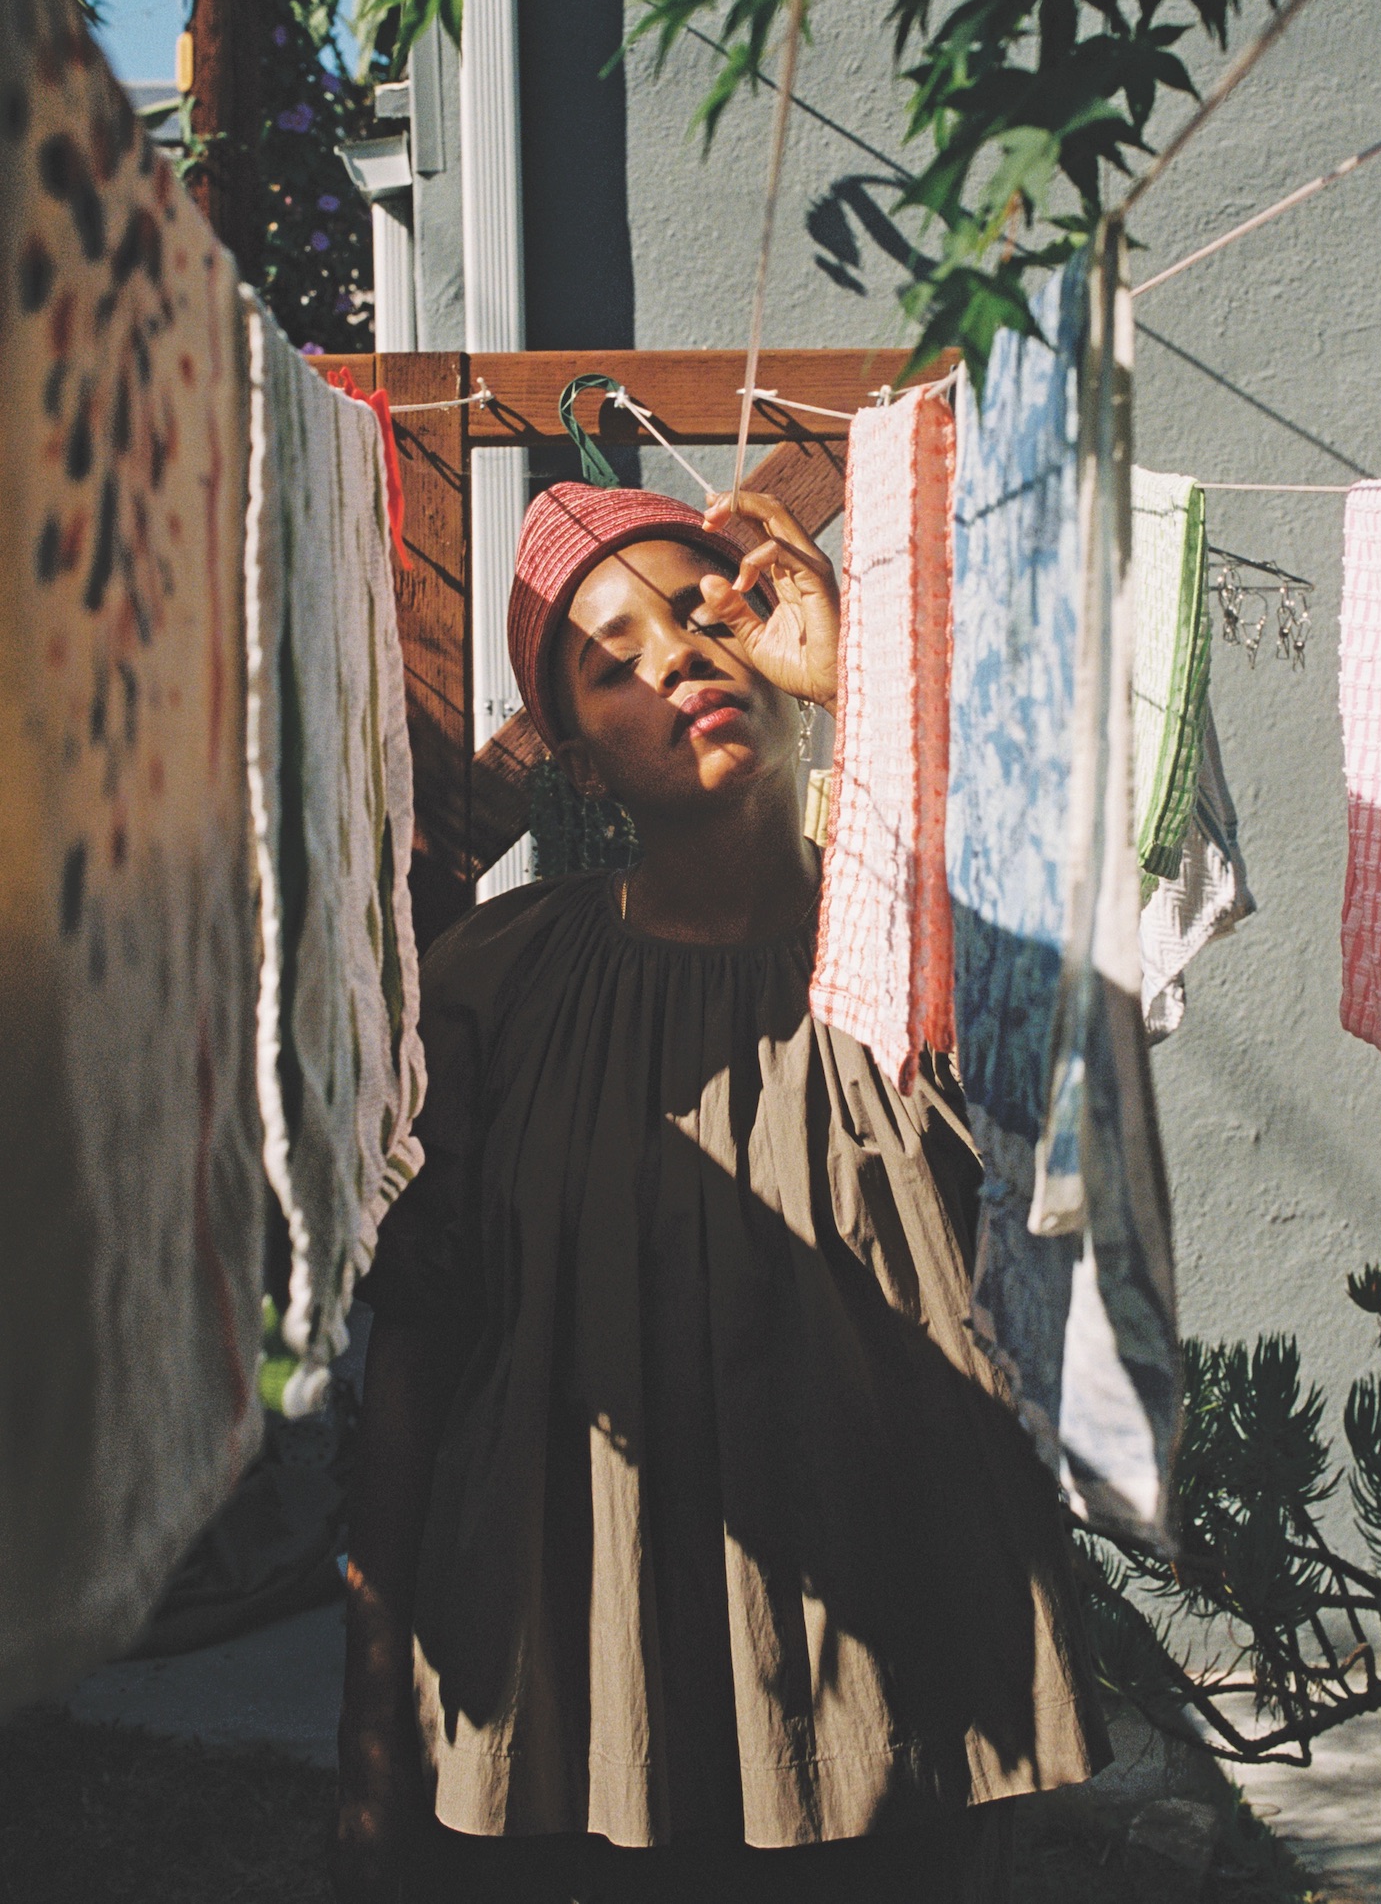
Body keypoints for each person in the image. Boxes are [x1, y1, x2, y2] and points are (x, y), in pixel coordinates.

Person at [334, 481, 1108, 1904]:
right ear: (573, 763)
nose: (679, 656)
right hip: (567, 1699)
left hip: (899, 1698)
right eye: (609, 657)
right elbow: (421, 1349)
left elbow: (1065, 937)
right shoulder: (491, 987)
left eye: (707, 610)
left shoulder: (915, 949)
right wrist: (373, 1703)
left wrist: (867, 676)